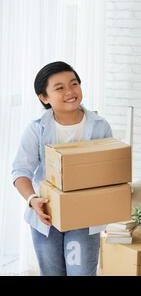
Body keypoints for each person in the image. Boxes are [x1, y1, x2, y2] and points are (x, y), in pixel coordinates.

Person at [12, 61, 113, 275]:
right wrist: (32, 200)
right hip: (46, 215)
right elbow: (20, 171)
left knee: (82, 273)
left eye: (74, 84)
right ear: (44, 98)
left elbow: (109, 171)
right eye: (60, 88)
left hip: (85, 216)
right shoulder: (36, 129)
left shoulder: (100, 126)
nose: (70, 91)